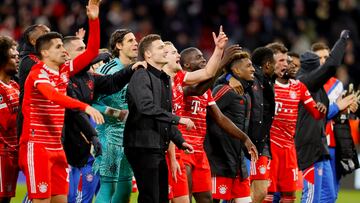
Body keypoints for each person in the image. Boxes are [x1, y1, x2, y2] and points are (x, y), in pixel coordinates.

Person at [18, 0, 104, 202]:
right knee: (41, 200)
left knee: (61, 199)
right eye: (58, 46)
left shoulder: (64, 70)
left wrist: (94, 20)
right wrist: (85, 107)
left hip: (57, 146)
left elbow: (91, 53)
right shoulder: (37, 73)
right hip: (36, 145)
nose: (64, 50)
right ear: (44, 52)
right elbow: (53, 96)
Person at [63, 35, 137, 203]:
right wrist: (118, 114)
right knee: (106, 186)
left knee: (125, 188)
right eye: (130, 41)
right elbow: (91, 102)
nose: (136, 43)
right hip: (108, 135)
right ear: (119, 45)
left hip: (128, 135)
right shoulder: (106, 69)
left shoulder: (136, 69)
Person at [179, 47, 258, 203]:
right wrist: (223, 63)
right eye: (198, 57)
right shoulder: (180, 83)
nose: (203, 59)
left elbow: (220, 118)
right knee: (184, 198)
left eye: (203, 56)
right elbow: (196, 90)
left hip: (200, 151)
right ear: (186, 65)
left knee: (207, 199)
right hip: (183, 148)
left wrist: (245, 139)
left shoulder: (206, 90)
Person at [162, 27, 230, 203]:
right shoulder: (159, 82)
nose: (177, 54)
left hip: (196, 149)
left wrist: (219, 50)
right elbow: (198, 87)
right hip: (177, 146)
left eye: (177, 51)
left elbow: (207, 73)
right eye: (173, 52)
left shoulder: (178, 78)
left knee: (205, 198)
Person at [124, 34, 194, 203]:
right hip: (142, 145)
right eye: (161, 48)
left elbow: (163, 115)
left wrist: (179, 140)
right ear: (148, 54)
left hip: (156, 146)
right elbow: (146, 107)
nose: (165, 51)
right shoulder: (141, 75)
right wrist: (178, 119)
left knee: (161, 197)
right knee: (151, 197)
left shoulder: (164, 79)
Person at [264, 43, 327, 203]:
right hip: (269, 148)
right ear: (270, 63)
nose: (286, 64)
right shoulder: (264, 86)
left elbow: (316, 113)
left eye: (287, 60)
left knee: (289, 195)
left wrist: (321, 108)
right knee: (267, 194)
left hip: (289, 149)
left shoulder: (298, 86)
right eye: (281, 60)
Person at [295, 30, 350, 203]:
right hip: (310, 147)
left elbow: (322, 114)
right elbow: (332, 65)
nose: (323, 66)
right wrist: (342, 40)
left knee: (329, 196)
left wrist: (340, 109)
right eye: (320, 62)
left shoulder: (316, 87)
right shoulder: (306, 81)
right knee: (312, 196)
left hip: (320, 146)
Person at [205, 51, 255, 203]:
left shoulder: (245, 92)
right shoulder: (224, 90)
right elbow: (206, 111)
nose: (253, 69)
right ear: (237, 71)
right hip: (220, 161)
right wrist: (226, 78)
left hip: (238, 162)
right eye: (249, 66)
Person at [311, 42, 358, 200]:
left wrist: (350, 109)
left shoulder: (337, 84)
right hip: (317, 143)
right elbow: (315, 114)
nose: (324, 60)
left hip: (336, 143)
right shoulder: (310, 83)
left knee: (333, 193)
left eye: (327, 57)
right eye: (320, 58)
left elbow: (341, 115)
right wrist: (338, 106)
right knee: (318, 193)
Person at [244, 46, 275, 203]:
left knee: (261, 191)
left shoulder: (266, 81)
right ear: (268, 64)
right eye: (277, 62)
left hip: (261, 142)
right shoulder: (250, 79)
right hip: (249, 141)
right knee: (243, 191)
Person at [17, 24, 50, 138]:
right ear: (34, 41)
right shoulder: (30, 60)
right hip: (31, 119)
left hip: (41, 116)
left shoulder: (38, 59)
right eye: (46, 33)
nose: (51, 36)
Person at [0, 36, 20, 203]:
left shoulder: (14, 86)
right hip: (1, 152)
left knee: (7, 199)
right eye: (13, 57)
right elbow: (6, 122)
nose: (17, 59)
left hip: (13, 151)